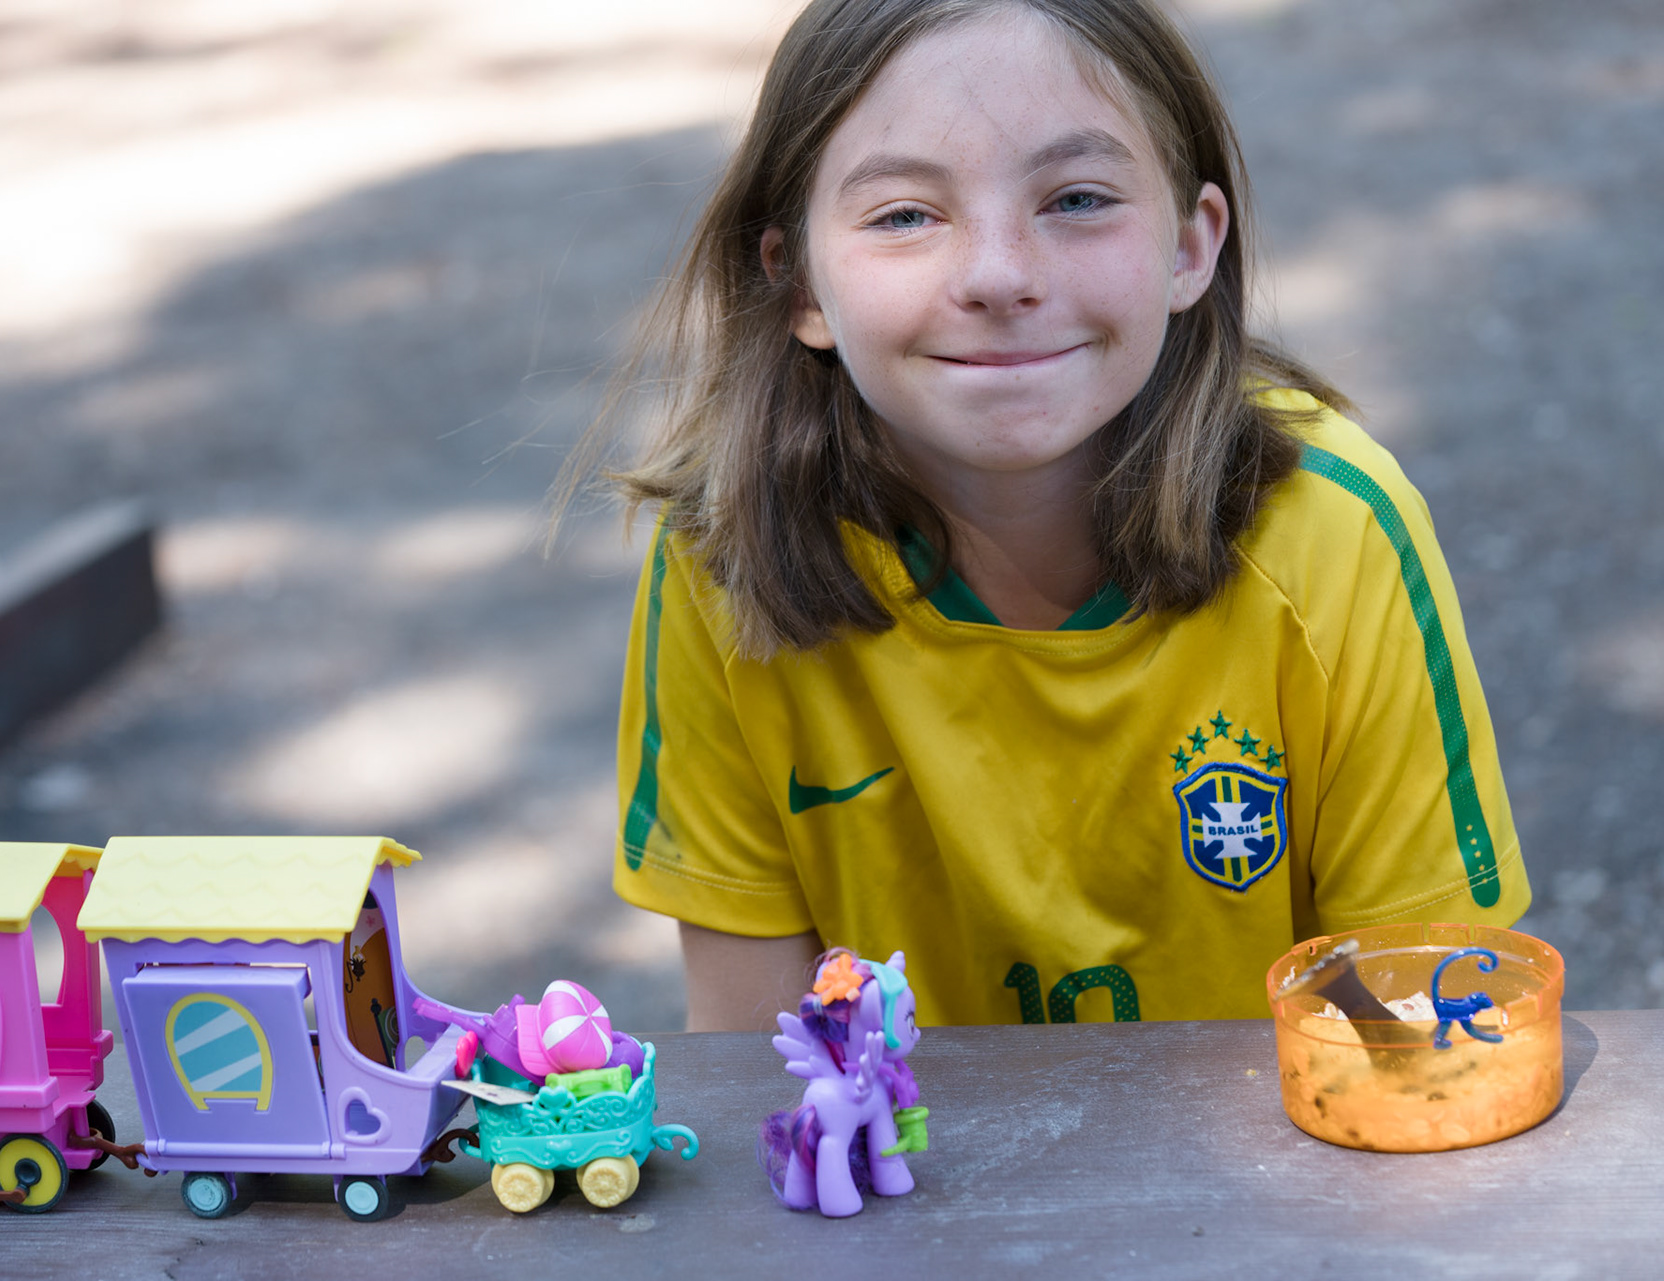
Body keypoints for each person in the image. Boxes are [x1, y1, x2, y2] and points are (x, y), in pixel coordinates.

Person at [572, 0, 1530, 1029]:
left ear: (1189, 247)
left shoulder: (1333, 527)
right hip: (900, 1146)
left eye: (1076, 199)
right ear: (797, 283)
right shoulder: (730, 547)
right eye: (905, 215)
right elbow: (754, 1061)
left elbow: (1422, 1034)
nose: (999, 276)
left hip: (1289, 1133)